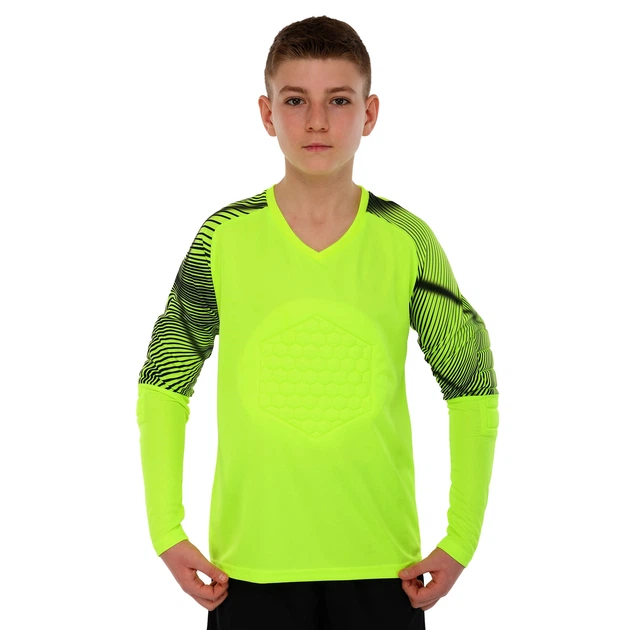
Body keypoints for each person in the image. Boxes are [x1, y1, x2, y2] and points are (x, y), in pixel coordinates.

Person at [136, 14, 499, 630]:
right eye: (295, 100)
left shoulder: (406, 239)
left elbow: (472, 385)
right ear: (266, 113)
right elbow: (164, 382)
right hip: (250, 570)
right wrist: (165, 531)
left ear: (370, 112)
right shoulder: (223, 238)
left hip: (383, 569)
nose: (316, 122)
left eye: (339, 100)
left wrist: (461, 537)